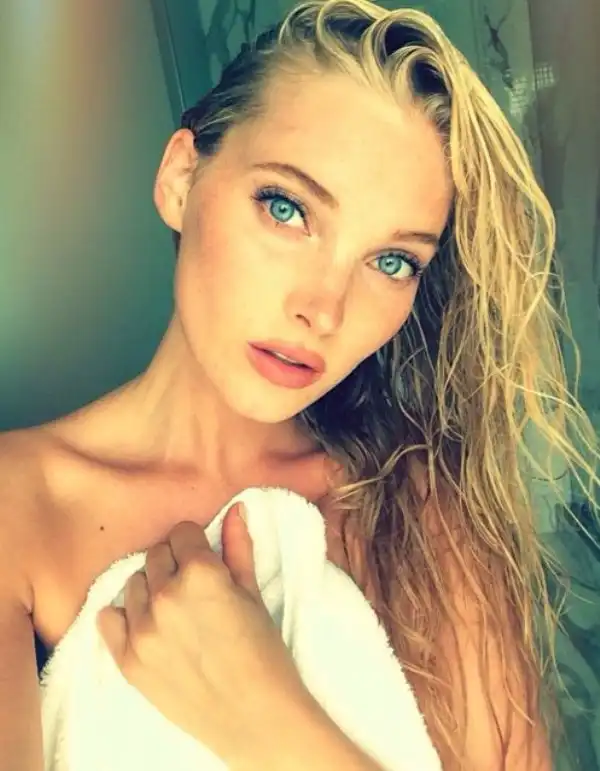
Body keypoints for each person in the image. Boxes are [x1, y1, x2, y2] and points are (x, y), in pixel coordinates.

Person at [0, 0, 597, 768]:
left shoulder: (414, 508)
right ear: (181, 178)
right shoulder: (18, 507)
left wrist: (266, 719)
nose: (324, 308)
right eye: (287, 209)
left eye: (391, 261)